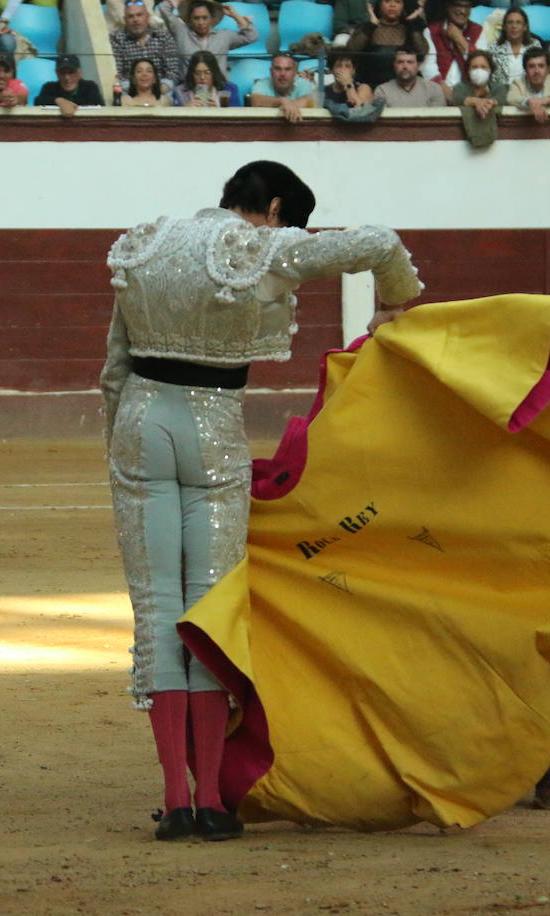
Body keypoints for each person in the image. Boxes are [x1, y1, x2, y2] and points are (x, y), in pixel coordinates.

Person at [100, 159, 420, 841]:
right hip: (213, 426)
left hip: (139, 421)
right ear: (274, 209)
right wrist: (396, 301)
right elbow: (381, 243)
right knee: (210, 608)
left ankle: (173, 801)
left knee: (158, 609)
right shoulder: (263, 246)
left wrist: (122, 454)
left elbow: (114, 367)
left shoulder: (147, 241)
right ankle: (213, 801)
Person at [157, 0, 256, 87]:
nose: (200, 22)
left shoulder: (224, 36)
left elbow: (251, 36)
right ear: (190, 20)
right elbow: (163, 8)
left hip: (219, 89)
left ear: (212, 19)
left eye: (205, 18)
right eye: (196, 18)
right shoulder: (181, 32)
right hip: (188, 89)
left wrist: (235, 15)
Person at [347, 0, 430, 88]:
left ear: (403, 6)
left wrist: (412, 23)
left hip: (403, 85)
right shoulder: (367, 27)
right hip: (369, 84)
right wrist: (371, 25)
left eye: (397, 2)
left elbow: (422, 51)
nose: (392, 5)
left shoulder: (410, 29)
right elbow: (352, 50)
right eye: (387, 1)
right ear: (380, 5)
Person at [112, 0, 184, 95]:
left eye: (139, 15)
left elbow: (173, 71)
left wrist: (160, 90)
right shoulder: (117, 38)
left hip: (162, 91)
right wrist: (137, 93)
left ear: (147, 17)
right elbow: (118, 73)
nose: (135, 20)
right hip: (130, 92)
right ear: (125, 20)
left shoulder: (163, 35)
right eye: (131, 16)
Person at [427, 0, 483, 89]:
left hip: (471, 92)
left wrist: (460, 40)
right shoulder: (431, 31)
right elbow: (428, 67)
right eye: (458, 5)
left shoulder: (479, 30)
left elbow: (482, 66)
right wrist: (443, 90)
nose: (463, 11)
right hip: (438, 92)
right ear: (448, 6)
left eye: (467, 6)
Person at [247, 52, 316, 122]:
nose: (283, 74)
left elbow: (309, 101)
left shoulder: (304, 83)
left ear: (295, 72)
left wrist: (287, 104)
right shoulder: (261, 83)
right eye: (278, 69)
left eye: (288, 69)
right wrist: (282, 101)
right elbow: (255, 101)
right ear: (271, 71)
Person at [507, 45, 550, 122]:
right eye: (531, 66)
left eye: (541, 66)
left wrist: (547, 100)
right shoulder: (518, 83)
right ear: (525, 70)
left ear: (548, 69)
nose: (536, 71)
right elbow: (511, 98)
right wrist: (529, 101)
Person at [488, 6, 542, 92]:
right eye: (510, 22)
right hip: (502, 94)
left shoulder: (535, 45)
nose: (514, 26)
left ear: (525, 27)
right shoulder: (493, 47)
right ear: (505, 27)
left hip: (529, 93)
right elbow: (491, 79)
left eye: (518, 22)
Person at [373, 45, 446, 107]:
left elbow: (438, 121)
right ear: (394, 65)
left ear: (418, 65)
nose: (405, 66)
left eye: (410, 62)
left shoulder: (434, 89)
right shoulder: (382, 91)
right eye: (400, 62)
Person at [33, 54, 104, 115]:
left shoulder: (90, 86)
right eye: (62, 73)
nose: (67, 78)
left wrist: (67, 104)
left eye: (71, 72)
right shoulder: (49, 87)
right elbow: (38, 101)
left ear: (79, 72)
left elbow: (97, 104)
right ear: (56, 73)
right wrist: (58, 100)